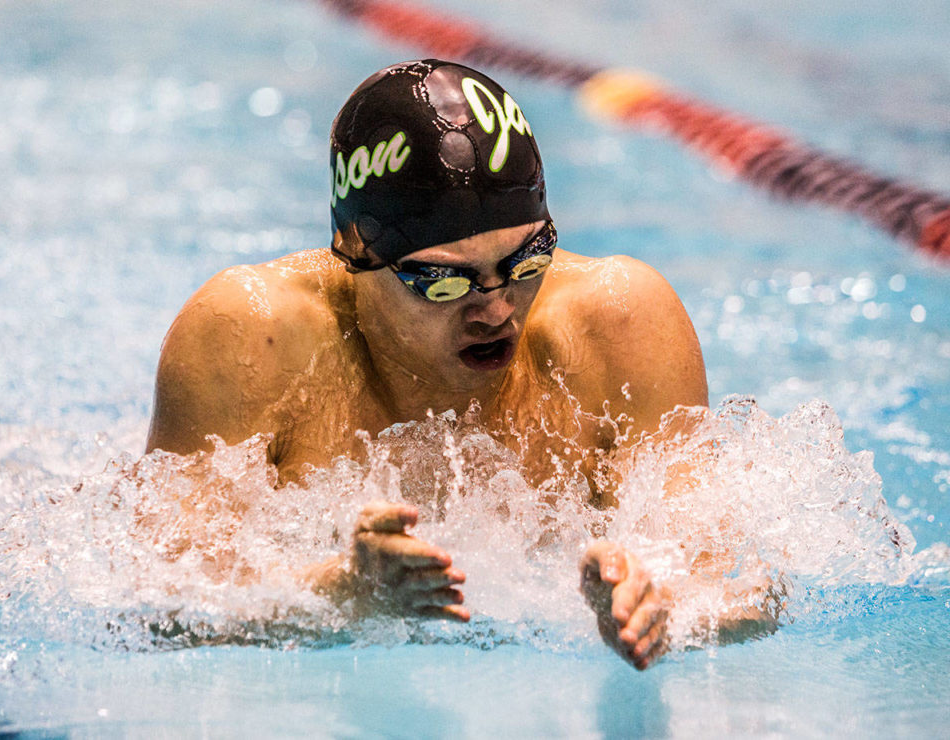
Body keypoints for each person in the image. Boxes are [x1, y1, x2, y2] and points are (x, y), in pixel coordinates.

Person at [146, 60, 740, 670]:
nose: (496, 310)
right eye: (442, 282)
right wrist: (340, 594)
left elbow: (744, 587)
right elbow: (156, 607)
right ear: (355, 249)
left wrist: (667, 600)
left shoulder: (620, 323)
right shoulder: (250, 337)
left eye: (527, 262)